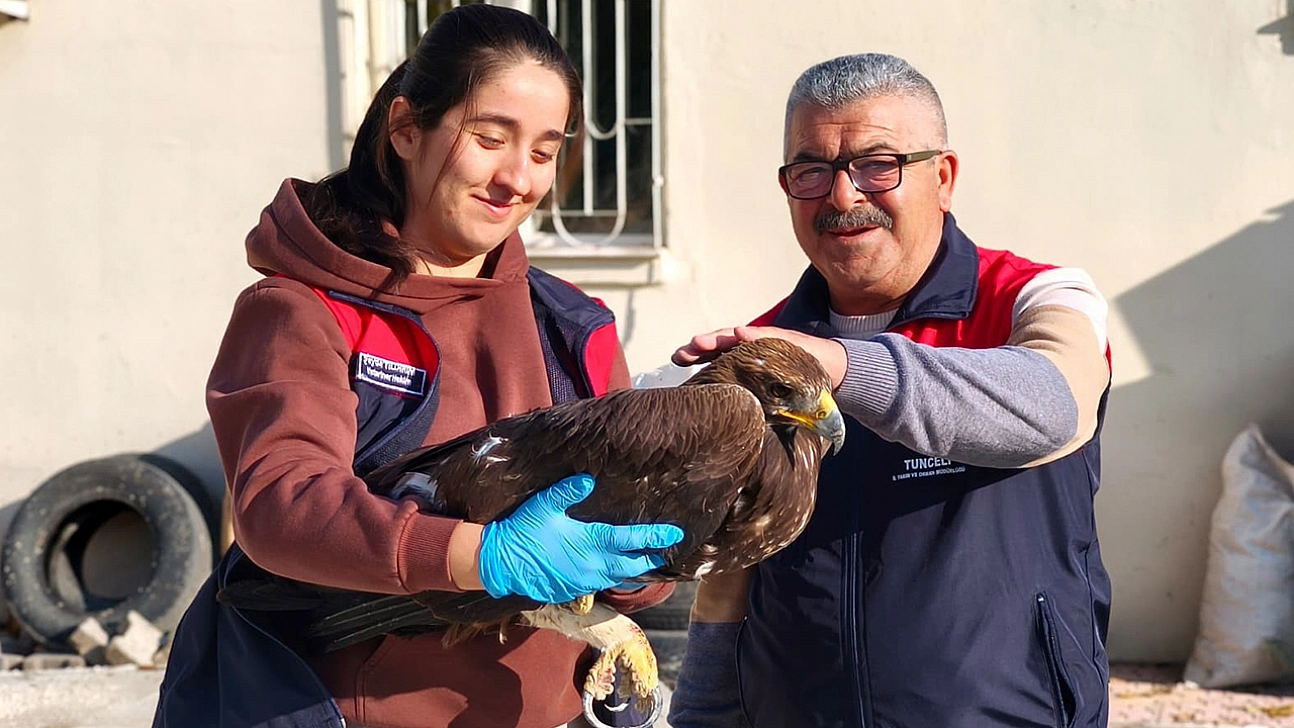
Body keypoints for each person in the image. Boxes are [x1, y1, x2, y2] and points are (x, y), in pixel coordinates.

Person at [151, 5, 683, 728]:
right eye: (490, 138)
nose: (516, 178)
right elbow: (282, 505)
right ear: (406, 128)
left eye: (543, 151)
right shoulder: (303, 310)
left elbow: (631, 537)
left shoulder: (575, 329)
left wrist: (644, 564)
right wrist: (479, 556)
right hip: (332, 708)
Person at [666, 53, 1113, 728]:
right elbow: (732, 580)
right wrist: (699, 714)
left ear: (945, 176)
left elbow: (1053, 407)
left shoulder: (1037, 298)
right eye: (812, 171)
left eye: (878, 164)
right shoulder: (768, 351)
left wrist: (842, 367)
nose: (843, 197)